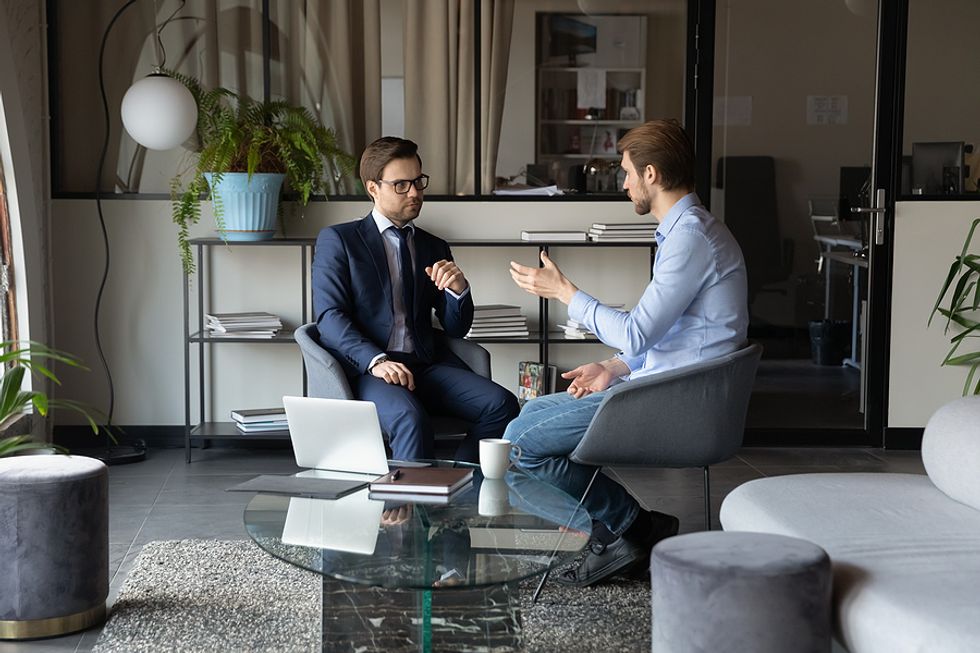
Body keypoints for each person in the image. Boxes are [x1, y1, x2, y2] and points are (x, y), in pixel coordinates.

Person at [505, 119, 749, 586]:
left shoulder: (690, 239)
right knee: (532, 419)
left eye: (627, 172)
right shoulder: (688, 233)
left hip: (675, 404)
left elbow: (638, 332)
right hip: (667, 390)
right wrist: (612, 366)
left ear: (651, 175)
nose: (624, 182)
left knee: (519, 443)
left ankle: (621, 529)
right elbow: (669, 335)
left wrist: (565, 292)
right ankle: (628, 528)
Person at [312, 136, 519, 463]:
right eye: (401, 184)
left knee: (502, 404)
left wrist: (458, 291)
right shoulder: (340, 240)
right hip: (371, 371)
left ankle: (459, 488)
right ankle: (407, 508)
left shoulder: (433, 246)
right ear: (373, 188)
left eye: (418, 181)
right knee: (410, 419)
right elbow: (330, 318)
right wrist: (377, 362)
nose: (415, 193)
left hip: (426, 366)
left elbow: (456, 328)